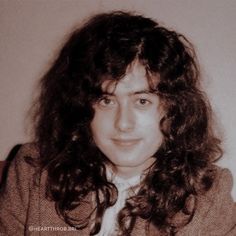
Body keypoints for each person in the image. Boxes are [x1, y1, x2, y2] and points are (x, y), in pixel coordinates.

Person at [0, 11, 235, 236]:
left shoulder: (206, 196)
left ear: (175, 108)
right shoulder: (34, 172)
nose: (123, 123)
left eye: (142, 101)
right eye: (106, 100)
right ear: (83, 108)